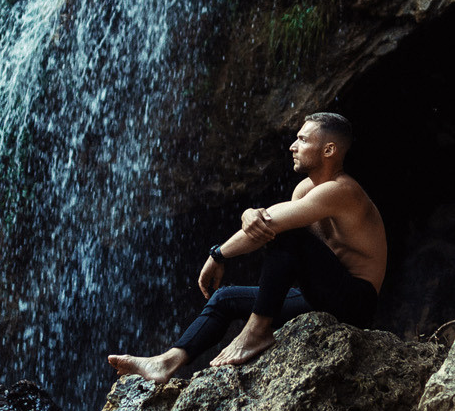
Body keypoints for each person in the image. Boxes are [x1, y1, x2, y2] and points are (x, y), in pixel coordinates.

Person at [108, 112, 386, 384]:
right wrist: (250, 213)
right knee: (226, 298)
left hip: (355, 303)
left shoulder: (342, 191)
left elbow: (273, 225)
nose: (292, 146)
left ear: (329, 149)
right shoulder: (304, 190)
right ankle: (166, 362)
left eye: (302, 139)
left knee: (290, 236)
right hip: (317, 296)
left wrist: (219, 254)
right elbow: (263, 224)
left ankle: (256, 331)